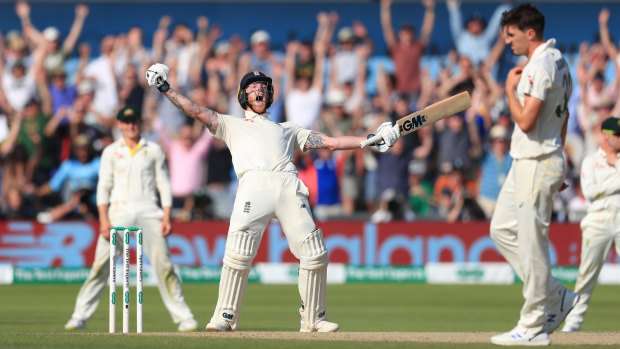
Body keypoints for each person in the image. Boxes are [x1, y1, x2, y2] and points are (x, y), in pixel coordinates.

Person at [145, 63, 400, 332]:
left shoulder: (288, 129)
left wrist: (370, 139)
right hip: (253, 185)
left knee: (314, 254)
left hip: (289, 184)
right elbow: (195, 110)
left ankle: (314, 319)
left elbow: (331, 142)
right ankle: (225, 317)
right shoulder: (231, 124)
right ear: (244, 95)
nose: (260, 91)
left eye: (264, 88)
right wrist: (165, 88)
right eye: (254, 88)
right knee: (238, 254)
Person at [489, 4, 579, 346]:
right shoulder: (558, 60)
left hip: (537, 160)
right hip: (530, 158)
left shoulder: (539, 66)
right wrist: (562, 158)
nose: (508, 43)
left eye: (511, 36)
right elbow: (565, 116)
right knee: (501, 230)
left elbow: (525, 121)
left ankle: (533, 327)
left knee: (533, 245)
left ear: (530, 33)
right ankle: (556, 296)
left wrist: (508, 92)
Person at [64, 106, 199, 332]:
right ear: (119, 124)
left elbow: (164, 184)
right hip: (119, 212)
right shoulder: (110, 151)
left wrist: (166, 216)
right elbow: (103, 187)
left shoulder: (153, 149)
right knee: (100, 266)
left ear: (139, 122)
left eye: (134, 120)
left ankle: (184, 318)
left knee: (164, 266)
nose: (131, 125)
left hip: (149, 211)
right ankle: (79, 316)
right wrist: (103, 220)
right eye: (126, 122)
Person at [561, 117, 620, 332]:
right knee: (586, 275)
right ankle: (573, 324)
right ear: (605, 135)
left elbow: (599, 188)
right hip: (598, 220)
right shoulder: (591, 160)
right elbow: (590, 192)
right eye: (617, 135)